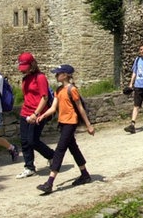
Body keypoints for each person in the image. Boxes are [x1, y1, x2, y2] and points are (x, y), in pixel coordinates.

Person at [35, 64, 94, 194]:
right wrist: (42, 115)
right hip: (62, 122)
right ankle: (85, 174)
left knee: (60, 150)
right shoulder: (58, 90)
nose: (56, 75)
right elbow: (53, 108)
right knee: (73, 148)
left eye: (58, 73)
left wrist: (88, 125)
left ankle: (49, 183)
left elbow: (80, 108)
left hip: (71, 122)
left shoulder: (72, 90)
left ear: (65, 75)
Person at [16, 52, 55, 179]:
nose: (23, 70)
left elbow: (44, 97)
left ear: (32, 65)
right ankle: (29, 167)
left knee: (32, 140)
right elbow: (27, 96)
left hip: (38, 113)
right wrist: (26, 112)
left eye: (25, 67)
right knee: (24, 141)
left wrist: (35, 113)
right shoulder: (25, 78)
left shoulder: (40, 77)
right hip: (25, 113)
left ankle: (52, 155)